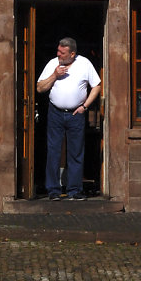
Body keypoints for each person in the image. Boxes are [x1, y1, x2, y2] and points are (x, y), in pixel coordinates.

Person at [36, 37, 102, 200]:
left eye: (62, 52)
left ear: (72, 54)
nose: (59, 54)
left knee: (76, 152)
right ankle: (53, 190)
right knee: (53, 151)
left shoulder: (84, 64)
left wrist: (85, 106)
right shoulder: (53, 64)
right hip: (55, 112)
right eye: (58, 51)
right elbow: (39, 88)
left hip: (76, 114)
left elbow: (97, 86)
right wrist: (54, 76)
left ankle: (74, 190)